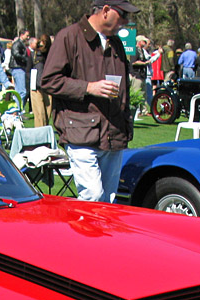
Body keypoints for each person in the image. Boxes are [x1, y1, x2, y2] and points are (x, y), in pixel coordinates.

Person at [40, 1, 137, 202]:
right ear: (106, 10)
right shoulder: (69, 37)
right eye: (123, 15)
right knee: (92, 197)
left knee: (109, 201)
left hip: (114, 133)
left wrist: (126, 124)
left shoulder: (116, 44)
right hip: (81, 133)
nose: (126, 22)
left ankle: (104, 234)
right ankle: (83, 234)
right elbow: (49, 81)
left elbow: (124, 90)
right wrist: (88, 87)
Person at [30, 34, 52, 127]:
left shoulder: (50, 55)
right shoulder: (34, 55)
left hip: (46, 84)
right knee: (40, 112)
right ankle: (40, 133)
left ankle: (44, 131)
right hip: (36, 85)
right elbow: (28, 70)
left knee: (46, 111)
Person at [8, 31, 31, 106]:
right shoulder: (17, 44)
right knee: (22, 91)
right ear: (21, 35)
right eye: (27, 35)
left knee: (19, 91)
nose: (28, 37)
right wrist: (25, 59)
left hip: (19, 67)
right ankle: (19, 110)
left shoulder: (20, 44)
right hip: (17, 67)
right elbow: (15, 53)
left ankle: (18, 109)